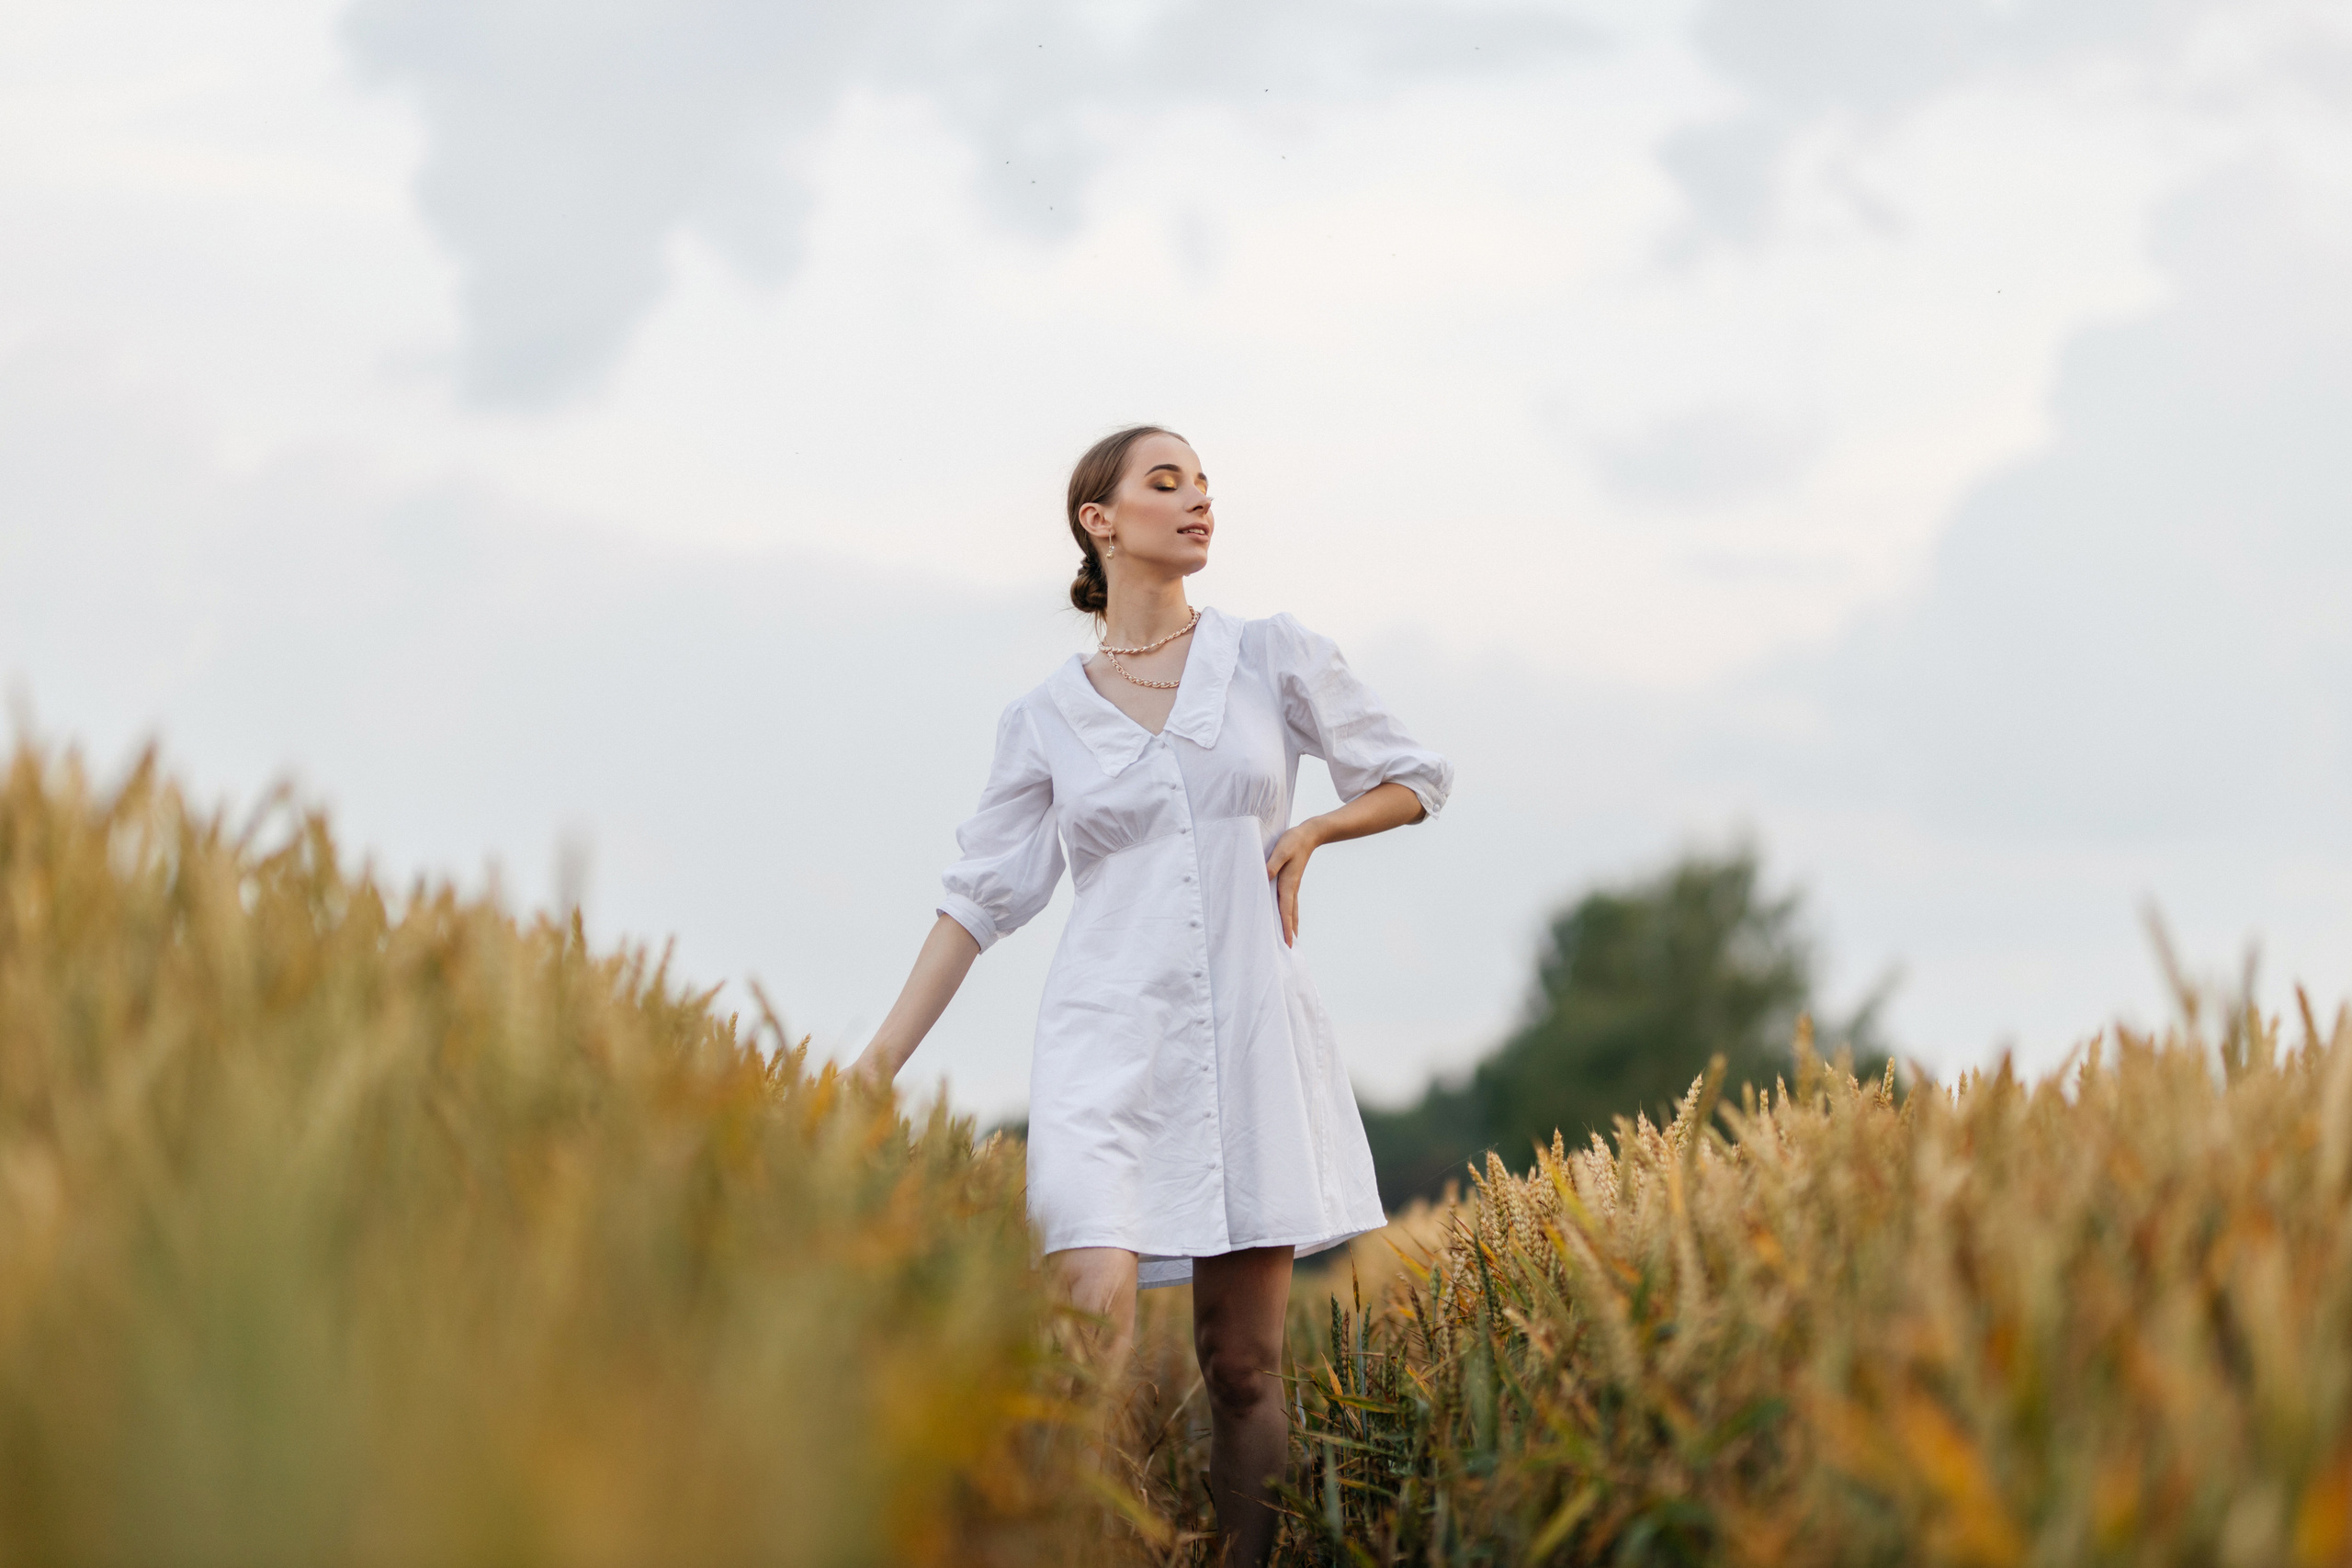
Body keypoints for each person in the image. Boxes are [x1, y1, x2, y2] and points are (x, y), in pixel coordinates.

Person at [851, 425, 1453, 1565]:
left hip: (1248, 1041)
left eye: (1205, 485)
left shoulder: (1272, 656)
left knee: (1240, 1368)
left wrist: (1317, 826)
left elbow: (1416, 775)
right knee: (1086, 1346)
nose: (1198, 503)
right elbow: (978, 899)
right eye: (1165, 484)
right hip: (1101, 1047)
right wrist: (879, 1058)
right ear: (1099, 521)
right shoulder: (1042, 718)